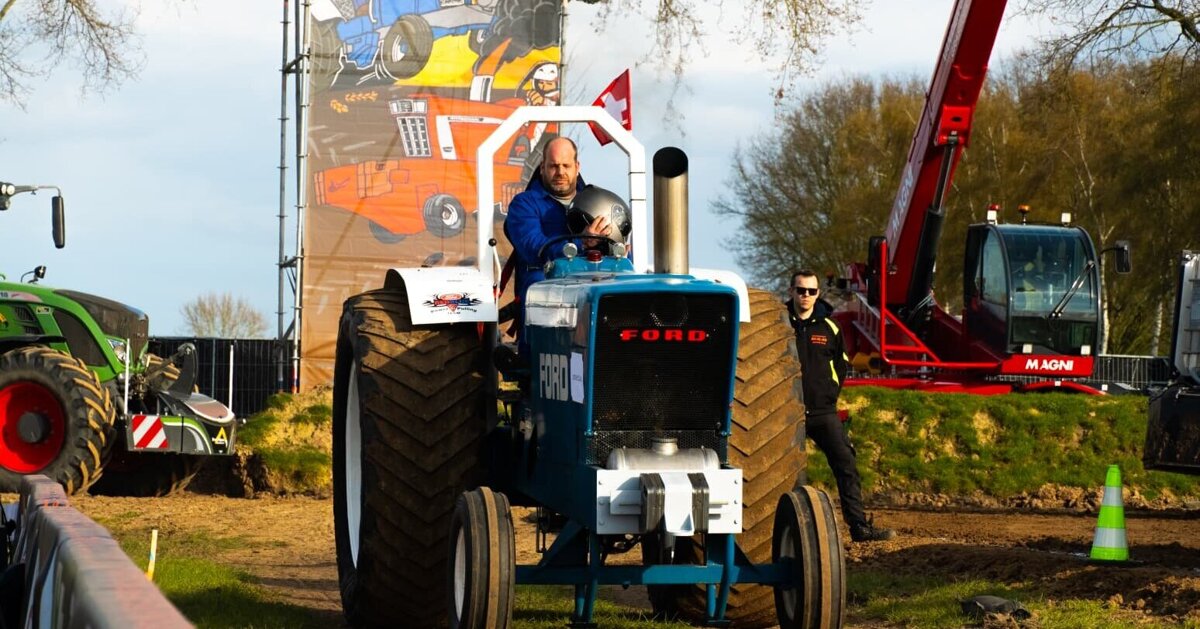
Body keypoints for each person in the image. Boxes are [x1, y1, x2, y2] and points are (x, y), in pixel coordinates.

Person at [786, 269, 896, 543]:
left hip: (823, 413)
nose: (806, 296)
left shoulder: (829, 328)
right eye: (801, 290)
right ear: (791, 292)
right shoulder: (778, 325)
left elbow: (841, 365)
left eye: (812, 291)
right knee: (784, 474)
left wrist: (829, 394)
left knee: (846, 463)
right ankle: (784, 535)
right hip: (787, 415)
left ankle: (859, 527)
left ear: (818, 294)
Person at [503, 136, 613, 345]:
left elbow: (621, 251)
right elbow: (534, 247)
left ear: (577, 166)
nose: (560, 172)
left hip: (595, 282)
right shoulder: (524, 205)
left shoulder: (599, 202)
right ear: (542, 167)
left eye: (566, 165)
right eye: (553, 166)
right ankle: (537, 365)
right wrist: (583, 242)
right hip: (546, 285)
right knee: (538, 287)